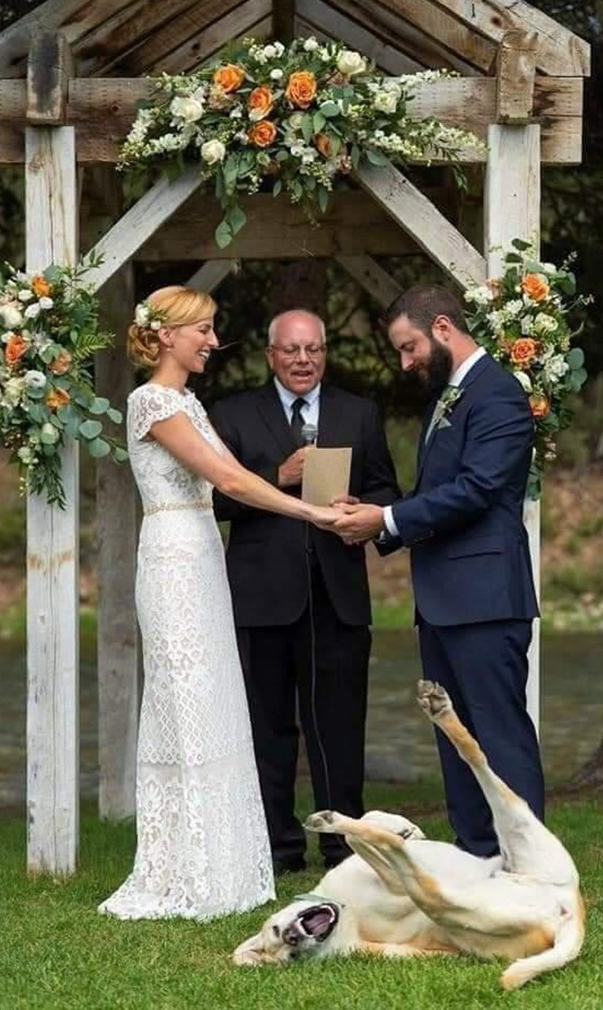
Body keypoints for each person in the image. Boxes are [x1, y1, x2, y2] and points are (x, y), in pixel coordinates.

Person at [98, 287, 337, 921]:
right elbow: (230, 481)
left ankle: (225, 862)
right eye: (202, 330)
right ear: (168, 335)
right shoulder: (150, 401)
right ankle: (186, 866)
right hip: (174, 556)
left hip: (205, 553)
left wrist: (308, 489)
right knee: (186, 698)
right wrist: (312, 510)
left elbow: (242, 474)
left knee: (217, 697)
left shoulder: (188, 402)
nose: (211, 340)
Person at [333, 285, 544, 858]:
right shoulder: (447, 397)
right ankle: (478, 854)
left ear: (444, 327)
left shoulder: (497, 394)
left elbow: (476, 491)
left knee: (498, 734)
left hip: (486, 599)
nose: (405, 363)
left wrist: (388, 517)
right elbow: (437, 494)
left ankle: (528, 865)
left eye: (409, 347)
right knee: (456, 737)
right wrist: (376, 517)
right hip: (445, 599)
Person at [209, 309, 400, 874]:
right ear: (271, 355)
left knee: (339, 727)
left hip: (337, 595)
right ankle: (276, 849)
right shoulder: (234, 414)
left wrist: (360, 508)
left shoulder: (359, 413)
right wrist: (277, 478)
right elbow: (214, 502)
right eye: (291, 350)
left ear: (325, 353)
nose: (302, 360)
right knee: (267, 729)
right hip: (261, 599)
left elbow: (387, 489)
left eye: (313, 350)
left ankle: (345, 849)